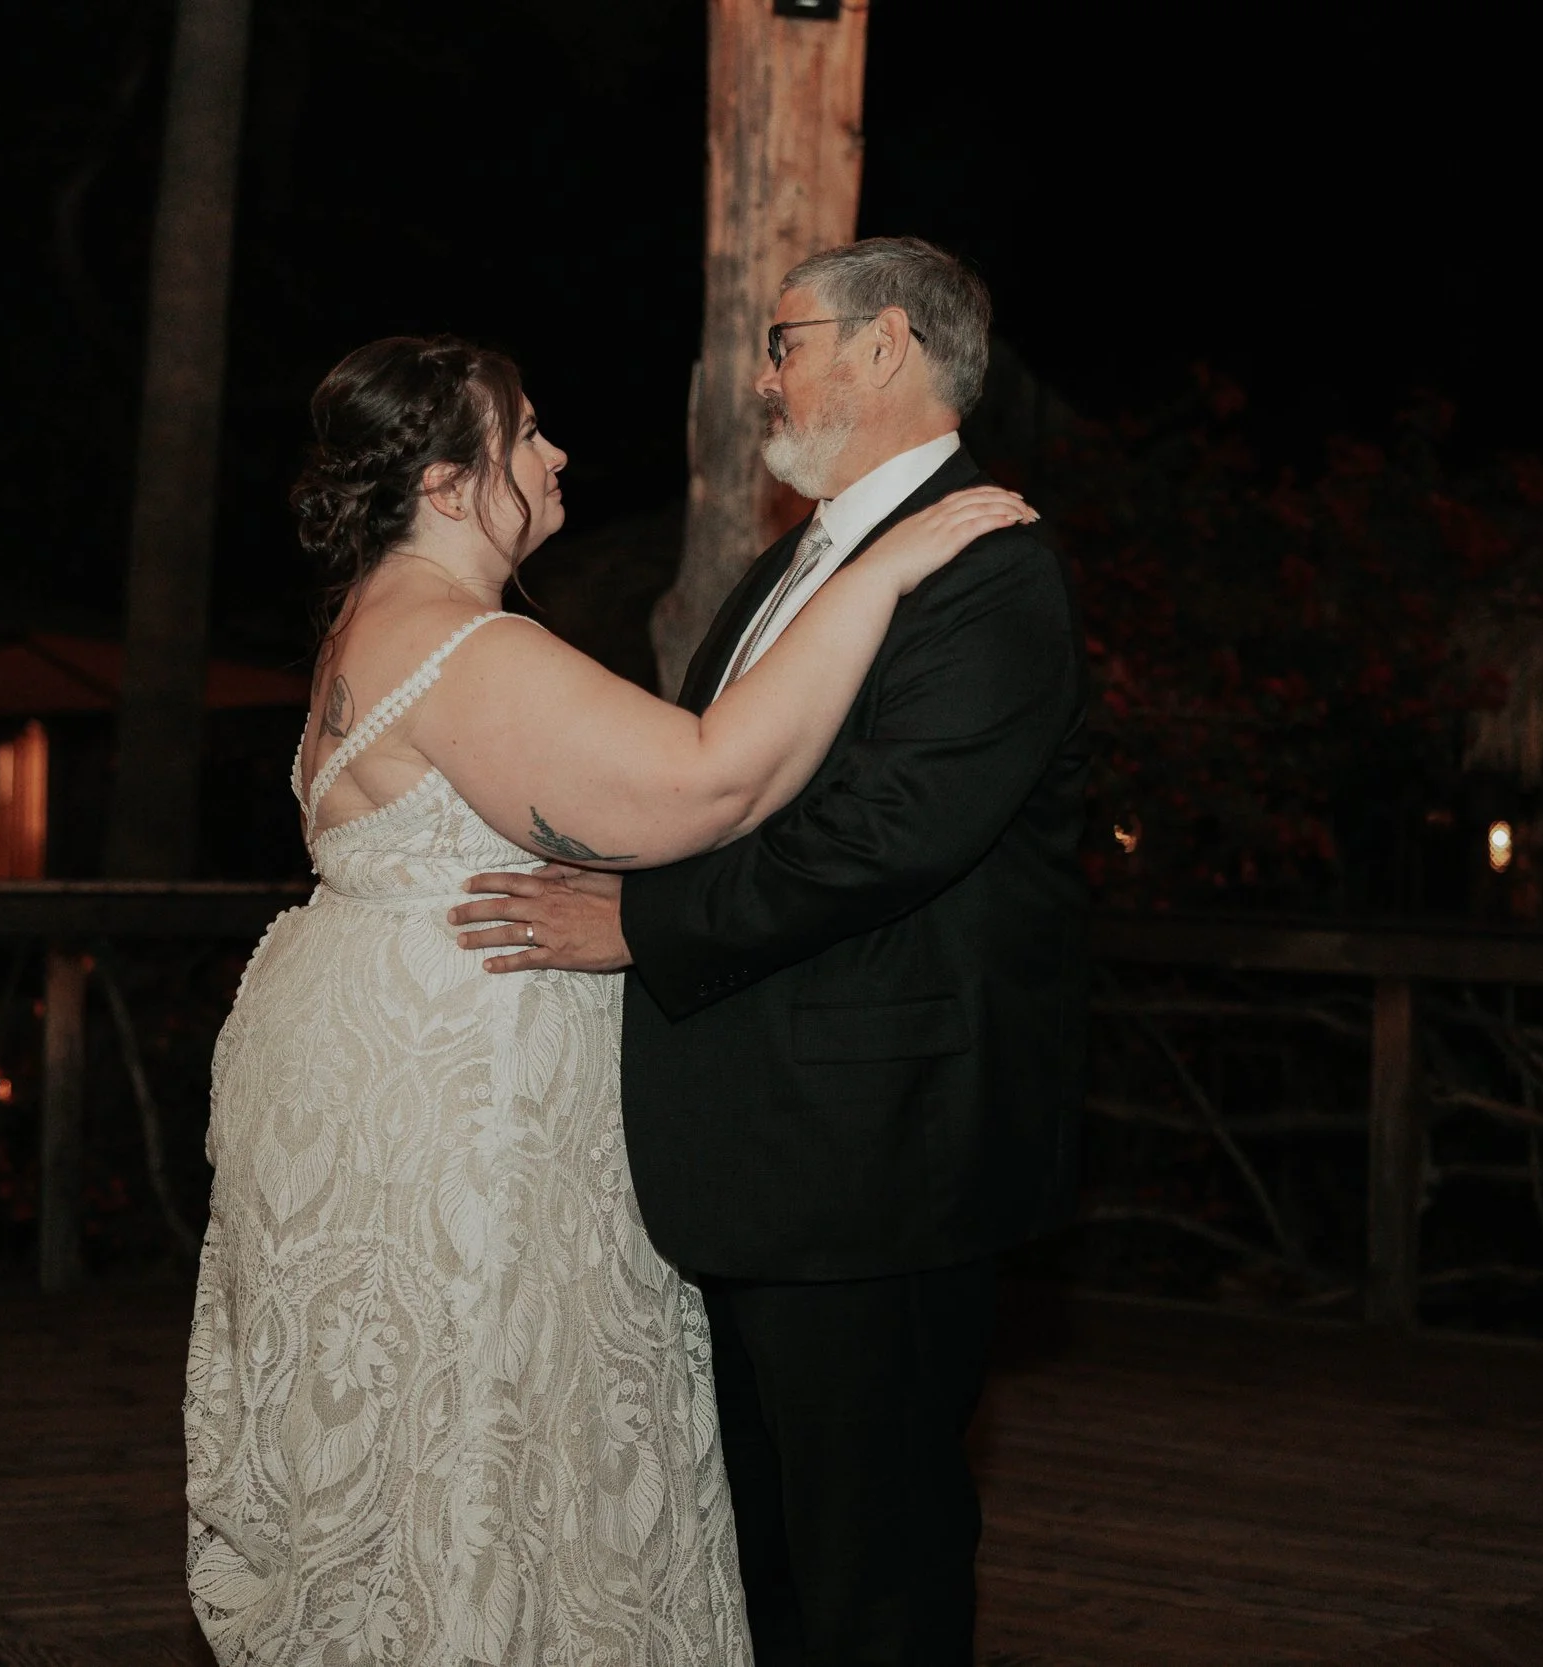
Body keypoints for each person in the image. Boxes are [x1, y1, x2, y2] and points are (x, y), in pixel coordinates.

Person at [184, 332, 1033, 1665]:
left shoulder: (373, 616)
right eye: (524, 433)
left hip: (368, 1064)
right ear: (457, 484)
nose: (555, 450)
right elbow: (707, 784)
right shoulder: (462, 641)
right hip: (462, 1109)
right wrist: (891, 570)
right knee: (484, 1447)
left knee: (423, 1441)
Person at [450, 238, 1088, 1663]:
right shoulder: (785, 566)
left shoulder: (990, 568)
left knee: (877, 1562)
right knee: (761, 1563)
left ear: (885, 349)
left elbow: (888, 835)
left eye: (785, 336)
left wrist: (636, 921)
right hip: (759, 1154)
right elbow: (715, 791)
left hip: (880, 1151)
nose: (760, 372)